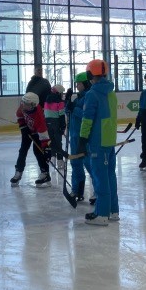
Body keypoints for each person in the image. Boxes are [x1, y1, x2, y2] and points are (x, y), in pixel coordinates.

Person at [78, 59, 119, 225]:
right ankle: (113, 210)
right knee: (110, 176)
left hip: (98, 141)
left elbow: (87, 119)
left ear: (89, 75)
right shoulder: (111, 92)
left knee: (100, 177)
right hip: (109, 140)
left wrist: (82, 139)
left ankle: (102, 214)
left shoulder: (92, 94)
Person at [11, 92, 51, 186]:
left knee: (38, 152)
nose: (23, 104)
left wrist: (46, 148)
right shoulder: (22, 106)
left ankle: (45, 173)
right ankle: (18, 171)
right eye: (23, 102)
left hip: (38, 133)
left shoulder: (39, 115)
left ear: (33, 105)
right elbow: (19, 116)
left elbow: (43, 134)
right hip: (27, 131)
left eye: (26, 103)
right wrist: (23, 127)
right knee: (23, 150)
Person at [66, 71, 92, 201]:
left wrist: (73, 108)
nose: (77, 86)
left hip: (84, 136)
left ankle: (98, 191)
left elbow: (86, 115)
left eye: (79, 83)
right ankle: (77, 190)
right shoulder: (78, 98)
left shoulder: (89, 97)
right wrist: (67, 102)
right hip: (74, 135)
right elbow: (69, 112)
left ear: (86, 84)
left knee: (89, 163)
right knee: (75, 163)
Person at [44, 84, 67, 161]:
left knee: (52, 140)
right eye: (62, 93)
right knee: (58, 141)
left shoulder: (46, 100)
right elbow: (61, 115)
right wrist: (63, 126)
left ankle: (53, 156)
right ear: (58, 93)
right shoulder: (60, 102)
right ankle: (60, 159)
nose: (63, 95)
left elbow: (45, 113)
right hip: (56, 122)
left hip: (47, 122)